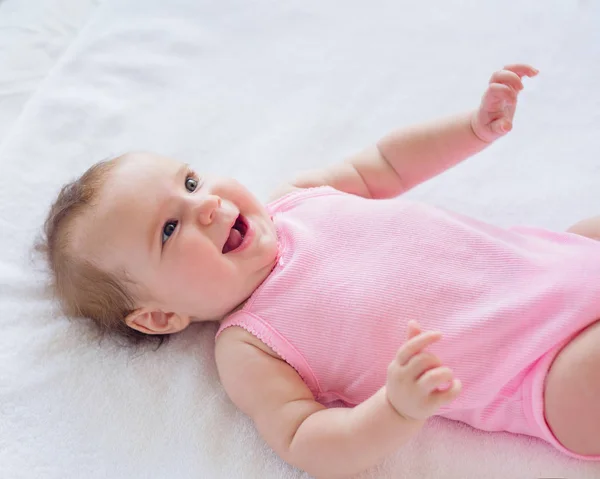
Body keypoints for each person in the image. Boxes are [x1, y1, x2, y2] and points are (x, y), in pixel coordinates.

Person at [39, 64, 600, 478]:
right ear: (161, 315)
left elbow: (386, 163)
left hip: (560, 260)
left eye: (189, 183)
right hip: (547, 376)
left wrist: (473, 129)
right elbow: (308, 440)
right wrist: (394, 410)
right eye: (169, 230)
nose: (205, 205)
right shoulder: (249, 348)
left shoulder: (296, 200)